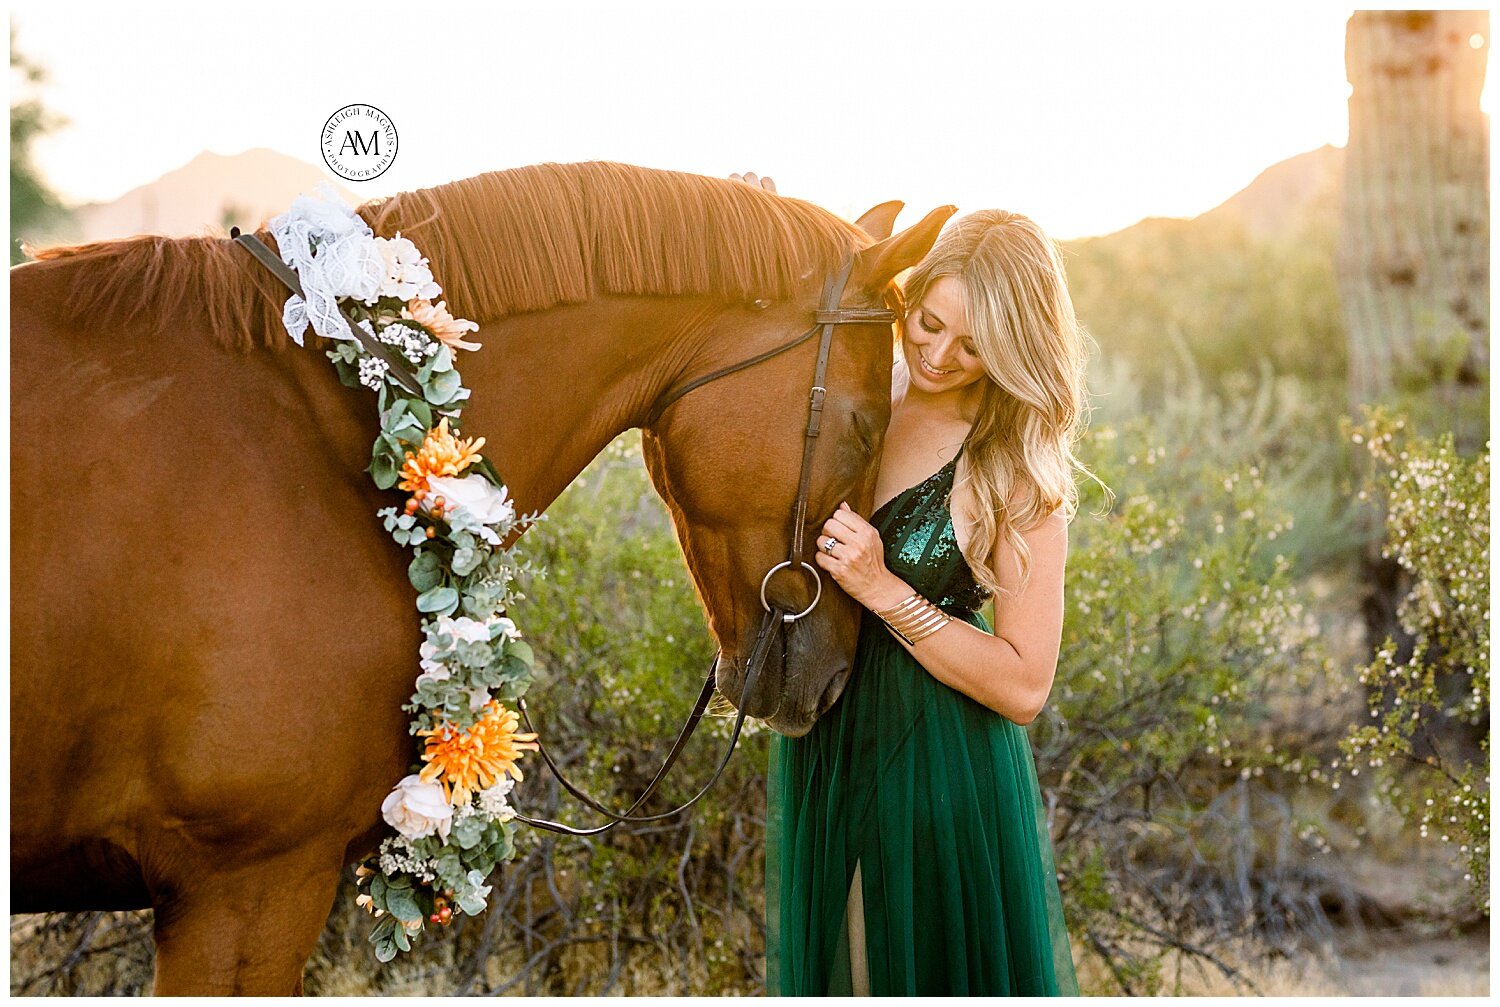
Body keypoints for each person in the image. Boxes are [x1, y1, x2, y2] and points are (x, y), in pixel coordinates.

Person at [731, 171, 1098, 995]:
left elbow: (1027, 682)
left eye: (971, 348)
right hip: (829, 738)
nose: (935, 355)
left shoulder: (1012, 469)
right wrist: (751, 219)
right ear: (915, 295)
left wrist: (882, 586)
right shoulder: (863, 378)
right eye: (929, 323)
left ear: (1011, 351)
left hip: (933, 768)